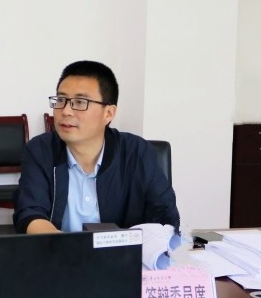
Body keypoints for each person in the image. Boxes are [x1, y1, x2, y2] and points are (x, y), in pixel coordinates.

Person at [14, 60, 179, 233]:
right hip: (58, 249)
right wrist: (66, 246)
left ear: (108, 113)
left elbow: (165, 218)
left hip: (127, 250)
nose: (66, 111)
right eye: (61, 100)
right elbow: (30, 214)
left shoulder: (137, 153)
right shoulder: (40, 150)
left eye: (80, 102)